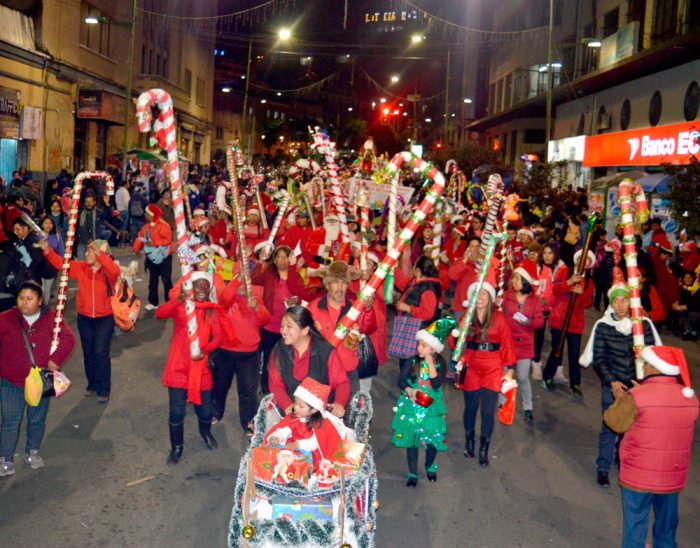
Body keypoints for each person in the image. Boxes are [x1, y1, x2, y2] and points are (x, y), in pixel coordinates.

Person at [603, 346, 698, 547]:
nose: (643, 367)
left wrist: (621, 400)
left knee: (635, 524)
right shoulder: (690, 397)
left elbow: (614, 422)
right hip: (672, 475)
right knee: (666, 525)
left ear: (655, 367)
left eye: (646, 364)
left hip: (639, 475)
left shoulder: (636, 396)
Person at [579, 283, 661, 488]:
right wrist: (612, 382)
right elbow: (599, 358)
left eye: (624, 300)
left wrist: (643, 382)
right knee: (610, 425)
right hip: (613, 385)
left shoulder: (643, 325)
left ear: (630, 301)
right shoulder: (603, 326)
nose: (620, 305)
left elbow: (651, 354)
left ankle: (622, 459)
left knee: (630, 428)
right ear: (611, 303)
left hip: (637, 386)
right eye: (616, 301)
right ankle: (603, 467)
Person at [0, 282, 76, 477]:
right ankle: (5, 459)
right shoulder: (6, 318)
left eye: (29, 299)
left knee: (36, 418)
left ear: (40, 301)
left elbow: (68, 339)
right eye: (21, 298)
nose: (24, 303)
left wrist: (55, 361)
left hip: (41, 380)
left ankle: (32, 452)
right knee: (10, 420)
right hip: (12, 381)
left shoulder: (52, 318)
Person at [40, 238, 120, 403]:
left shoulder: (108, 271)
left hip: (105, 318)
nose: (86, 254)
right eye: (87, 251)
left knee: (101, 352)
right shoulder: (81, 267)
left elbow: (115, 271)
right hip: (84, 318)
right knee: (88, 352)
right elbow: (61, 264)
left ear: (101, 254)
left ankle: (104, 388)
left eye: (91, 251)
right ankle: (92, 384)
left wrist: (101, 256)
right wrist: (47, 250)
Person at [155, 273, 223, 465]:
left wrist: (204, 350)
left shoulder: (211, 310)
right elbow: (160, 313)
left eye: (206, 286)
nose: (202, 290)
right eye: (198, 286)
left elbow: (218, 338)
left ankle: (205, 431)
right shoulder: (182, 306)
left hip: (201, 368)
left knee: (206, 411)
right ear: (191, 288)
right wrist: (179, 299)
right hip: (178, 366)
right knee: (177, 412)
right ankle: (177, 447)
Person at [456, 281, 516, 466]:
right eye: (477, 293)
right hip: (471, 364)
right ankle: (469, 441)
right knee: (471, 407)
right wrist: (459, 331)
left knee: (488, 411)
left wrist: (510, 370)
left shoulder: (498, 318)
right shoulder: (467, 316)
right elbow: (454, 344)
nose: (480, 297)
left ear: (490, 298)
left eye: (484, 293)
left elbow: (507, 343)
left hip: (492, 366)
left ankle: (484, 448)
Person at [392, 319, 452, 487]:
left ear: (433, 349)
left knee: (432, 441)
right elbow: (401, 381)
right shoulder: (412, 362)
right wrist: (409, 390)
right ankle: (412, 472)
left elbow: (436, 384)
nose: (419, 348)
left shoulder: (440, 364)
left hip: (431, 409)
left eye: (424, 345)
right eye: (419, 344)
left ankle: (429, 465)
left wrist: (430, 363)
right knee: (412, 441)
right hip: (412, 406)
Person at [211, 276, 270, 435]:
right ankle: (215, 411)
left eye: (246, 282)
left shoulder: (255, 300)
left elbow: (265, 320)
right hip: (224, 351)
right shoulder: (226, 298)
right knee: (220, 385)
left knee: (248, 391)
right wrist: (236, 282)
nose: (243, 286)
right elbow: (222, 300)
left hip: (249, 354)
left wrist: (256, 307)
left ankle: (249, 421)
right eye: (240, 282)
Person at [251, 245, 314, 394]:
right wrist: (261, 261)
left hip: (290, 327)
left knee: (288, 359)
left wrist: (296, 301)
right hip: (270, 325)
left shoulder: (295, 275)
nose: (282, 260)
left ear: (290, 259)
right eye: (278, 257)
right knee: (268, 358)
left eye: (285, 256)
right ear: (274, 260)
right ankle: (266, 388)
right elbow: (254, 278)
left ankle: (285, 389)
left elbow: (303, 294)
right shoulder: (269, 274)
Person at [268, 306, 350, 418]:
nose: (283, 331)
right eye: (282, 326)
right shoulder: (279, 350)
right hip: (291, 414)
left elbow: (342, 383)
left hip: (321, 416)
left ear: (305, 330)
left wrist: (339, 403)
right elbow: (275, 385)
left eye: (289, 327)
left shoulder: (325, 351)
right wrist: (287, 405)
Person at [307, 260, 376, 393]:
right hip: (322, 370)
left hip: (348, 371)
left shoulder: (355, 308)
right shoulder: (314, 308)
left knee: (350, 405)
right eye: (335, 282)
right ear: (327, 284)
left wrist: (368, 310)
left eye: (343, 282)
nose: (340, 287)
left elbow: (369, 328)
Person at [540, 249, 594, 398]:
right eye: (582, 259)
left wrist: (582, 294)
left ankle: (575, 384)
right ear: (576, 260)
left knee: (574, 354)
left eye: (587, 261)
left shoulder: (589, 282)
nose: (584, 263)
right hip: (559, 320)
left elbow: (587, 303)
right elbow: (555, 290)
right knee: (556, 350)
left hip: (576, 323)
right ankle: (547, 377)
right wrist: (569, 282)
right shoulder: (564, 272)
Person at [264, 377, 348, 471]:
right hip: (293, 448)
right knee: (278, 457)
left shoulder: (320, 424)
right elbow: (286, 430)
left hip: (309, 453)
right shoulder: (295, 417)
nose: (296, 408)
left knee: (300, 466)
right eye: (295, 403)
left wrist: (297, 445)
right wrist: (277, 436)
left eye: (301, 406)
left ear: (314, 409)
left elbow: (314, 443)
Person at [502, 261, 544, 422]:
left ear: (525, 282)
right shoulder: (507, 297)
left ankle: (528, 407)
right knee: (505, 375)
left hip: (525, 343)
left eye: (517, 278)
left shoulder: (534, 301)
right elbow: (499, 315)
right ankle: (502, 403)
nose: (513, 281)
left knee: (522, 377)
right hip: (508, 342)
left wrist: (529, 323)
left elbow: (539, 322)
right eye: (513, 278)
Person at [133, 204, 174, 311]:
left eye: (147, 213)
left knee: (166, 280)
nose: (145, 215)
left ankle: (170, 303)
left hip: (164, 257)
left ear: (152, 215)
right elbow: (140, 237)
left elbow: (168, 240)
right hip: (152, 257)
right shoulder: (146, 227)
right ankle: (153, 302)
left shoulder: (164, 225)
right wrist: (136, 248)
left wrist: (154, 243)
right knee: (153, 280)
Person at [75, 192, 114, 259]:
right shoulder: (79, 214)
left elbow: (109, 216)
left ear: (94, 202)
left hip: (96, 243)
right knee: (81, 262)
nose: (89, 204)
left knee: (96, 262)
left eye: (90, 201)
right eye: (87, 202)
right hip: (83, 243)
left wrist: (107, 204)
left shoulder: (99, 213)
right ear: (84, 203)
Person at [39, 216, 63, 303]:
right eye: (46, 223)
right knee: (40, 288)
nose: (48, 225)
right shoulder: (37, 236)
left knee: (47, 288)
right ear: (42, 224)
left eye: (50, 223)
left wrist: (60, 265)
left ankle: (44, 306)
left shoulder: (57, 236)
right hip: (39, 266)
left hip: (51, 267)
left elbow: (61, 251)